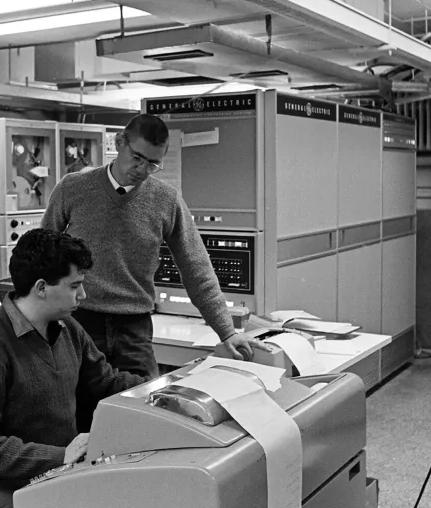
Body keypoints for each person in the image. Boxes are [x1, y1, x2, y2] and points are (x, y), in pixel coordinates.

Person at [41, 113, 267, 431]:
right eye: (138, 158)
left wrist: (226, 331)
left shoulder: (165, 199)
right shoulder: (74, 188)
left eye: (153, 164)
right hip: (79, 323)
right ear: (119, 144)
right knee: (79, 419)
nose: (143, 170)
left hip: (133, 331)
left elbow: (196, 266)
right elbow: (41, 252)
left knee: (146, 417)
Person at [0, 228, 148, 508]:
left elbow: (105, 382)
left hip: (61, 471)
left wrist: (169, 388)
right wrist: (60, 456)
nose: (83, 296)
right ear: (42, 288)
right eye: (74, 286)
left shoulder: (67, 328)